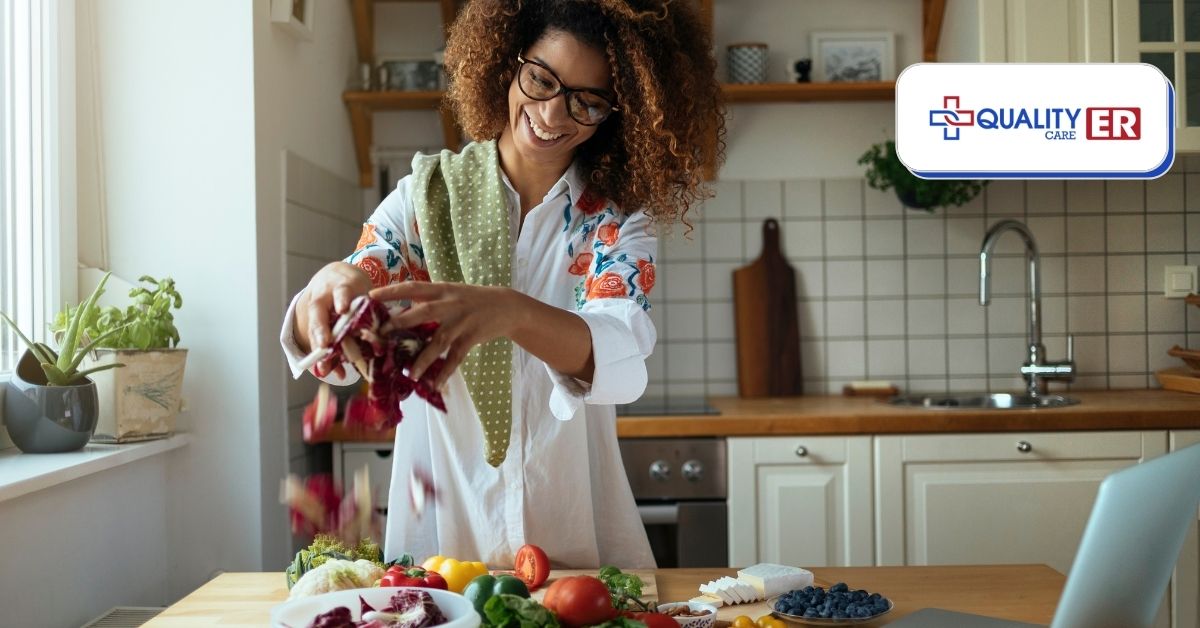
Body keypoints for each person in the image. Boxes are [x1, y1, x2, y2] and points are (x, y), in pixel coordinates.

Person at [280, 0, 723, 568]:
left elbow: (621, 356)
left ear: (617, 114)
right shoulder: (425, 200)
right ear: (506, 65)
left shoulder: (613, 223)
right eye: (541, 79)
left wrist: (511, 312)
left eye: (586, 101)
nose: (553, 114)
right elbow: (345, 317)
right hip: (440, 549)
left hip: (576, 551)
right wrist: (329, 285)